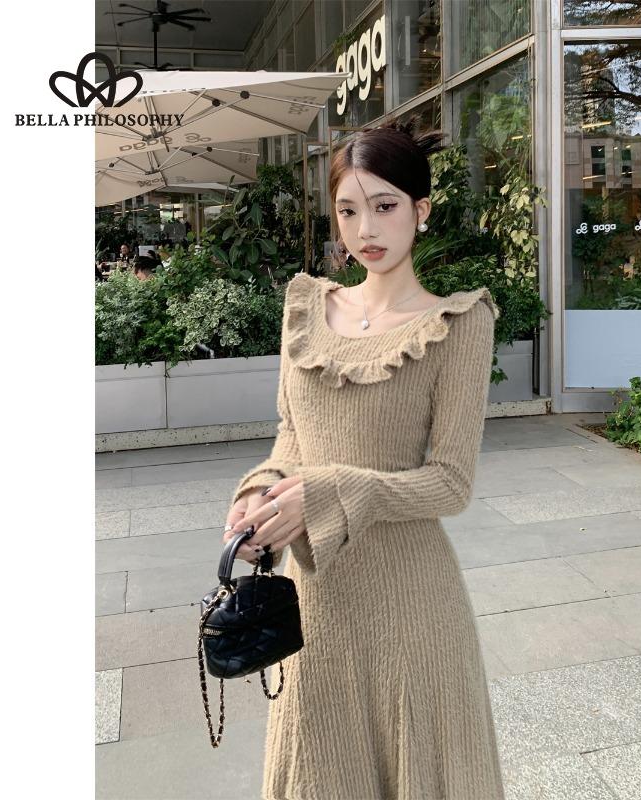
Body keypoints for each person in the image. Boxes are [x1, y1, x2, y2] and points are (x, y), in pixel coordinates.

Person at [224, 115, 505, 799]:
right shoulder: (306, 307)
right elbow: (292, 435)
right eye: (348, 210)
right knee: (322, 768)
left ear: (421, 211)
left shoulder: (459, 324)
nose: (366, 229)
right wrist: (259, 491)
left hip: (413, 602)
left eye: (384, 206)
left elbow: (450, 483)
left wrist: (327, 492)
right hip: (316, 598)